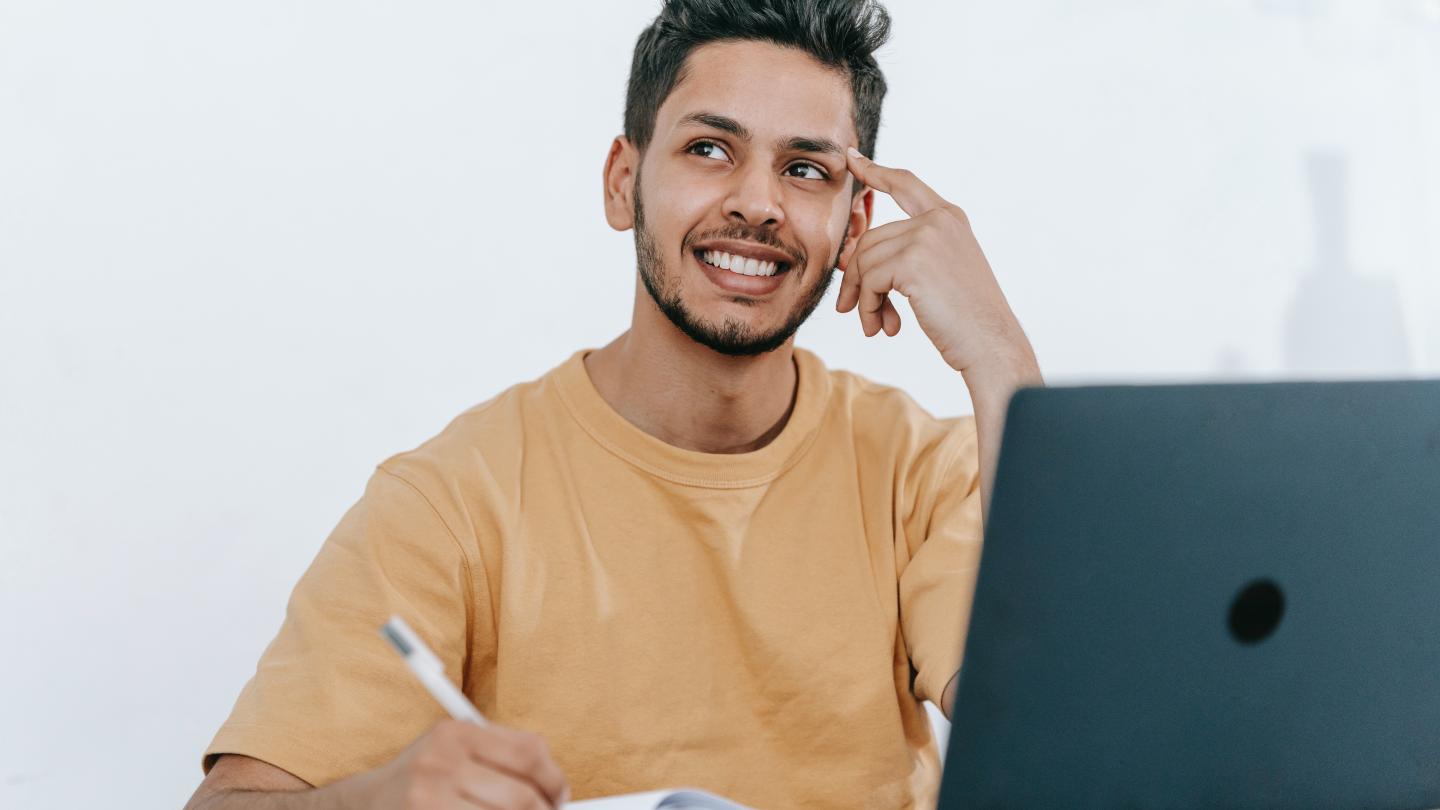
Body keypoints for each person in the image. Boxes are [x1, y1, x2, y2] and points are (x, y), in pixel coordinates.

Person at [184, 0, 1042, 807]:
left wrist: (999, 356)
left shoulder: (929, 475)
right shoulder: (450, 502)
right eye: (710, 149)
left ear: (854, 225)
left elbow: (1067, 736)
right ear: (622, 181)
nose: (757, 203)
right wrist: (383, 802)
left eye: (805, 169)